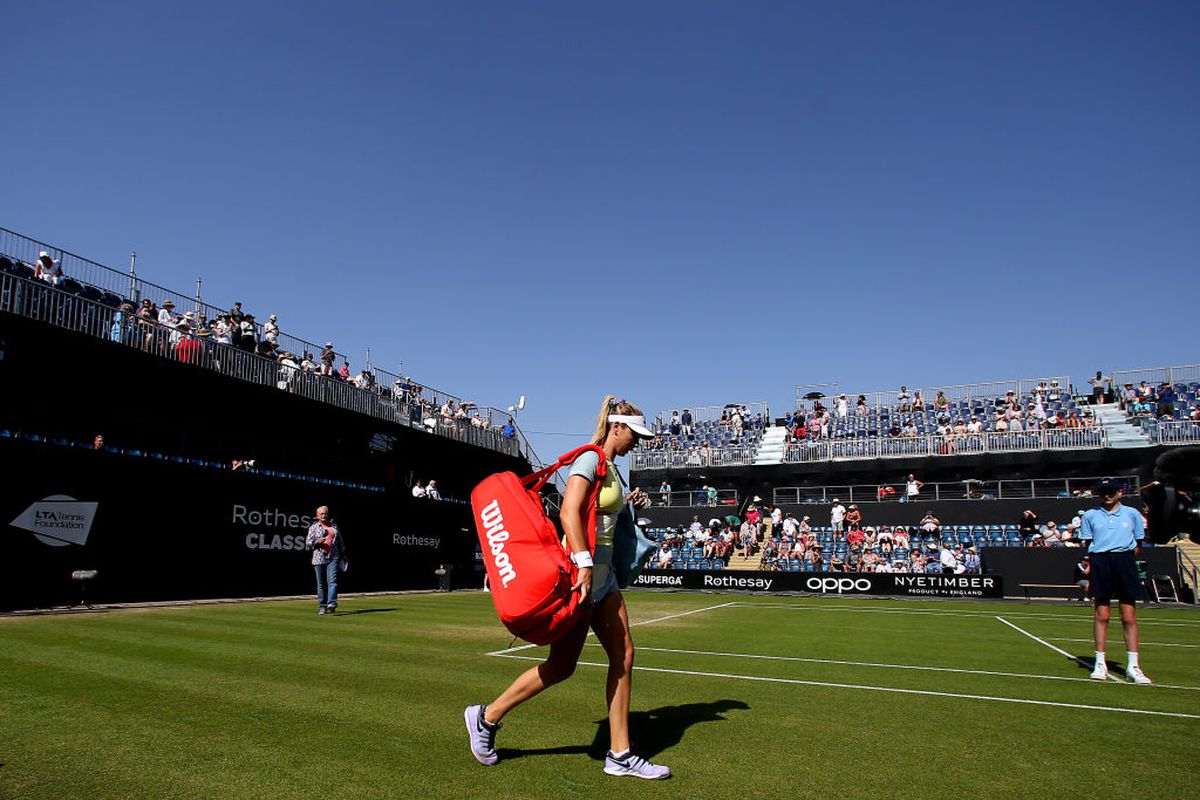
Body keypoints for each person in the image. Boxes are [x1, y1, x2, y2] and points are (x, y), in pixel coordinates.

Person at [464, 396, 668, 779]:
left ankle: (620, 753)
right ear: (616, 427)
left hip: (604, 580)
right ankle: (486, 717)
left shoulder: (611, 469)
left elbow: (601, 513)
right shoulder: (590, 459)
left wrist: (627, 502)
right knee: (561, 667)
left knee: (623, 656)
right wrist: (584, 564)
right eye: (634, 435)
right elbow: (568, 510)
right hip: (584, 578)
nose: (636, 443)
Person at [1079, 479, 1151, 684]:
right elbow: (1088, 542)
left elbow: (1138, 544)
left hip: (1124, 560)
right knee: (1102, 613)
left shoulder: (1132, 514)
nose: (1107, 495)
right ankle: (1100, 663)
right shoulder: (1090, 516)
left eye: (1111, 491)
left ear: (1120, 492)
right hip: (1100, 561)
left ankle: (1133, 666)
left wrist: (1123, 557)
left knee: (1128, 615)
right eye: (1103, 491)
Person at [304, 505, 345, 615]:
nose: (324, 515)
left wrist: (344, 553)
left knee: (332, 581)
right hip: (319, 558)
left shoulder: (334, 527)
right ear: (317, 515)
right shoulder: (314, 527)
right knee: (321, 584)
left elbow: (340, 541)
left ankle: (332, 603)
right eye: (321, 514)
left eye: (325, 513)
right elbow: (308, 542)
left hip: (333, 557)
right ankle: (322, 606)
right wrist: (318, 541)